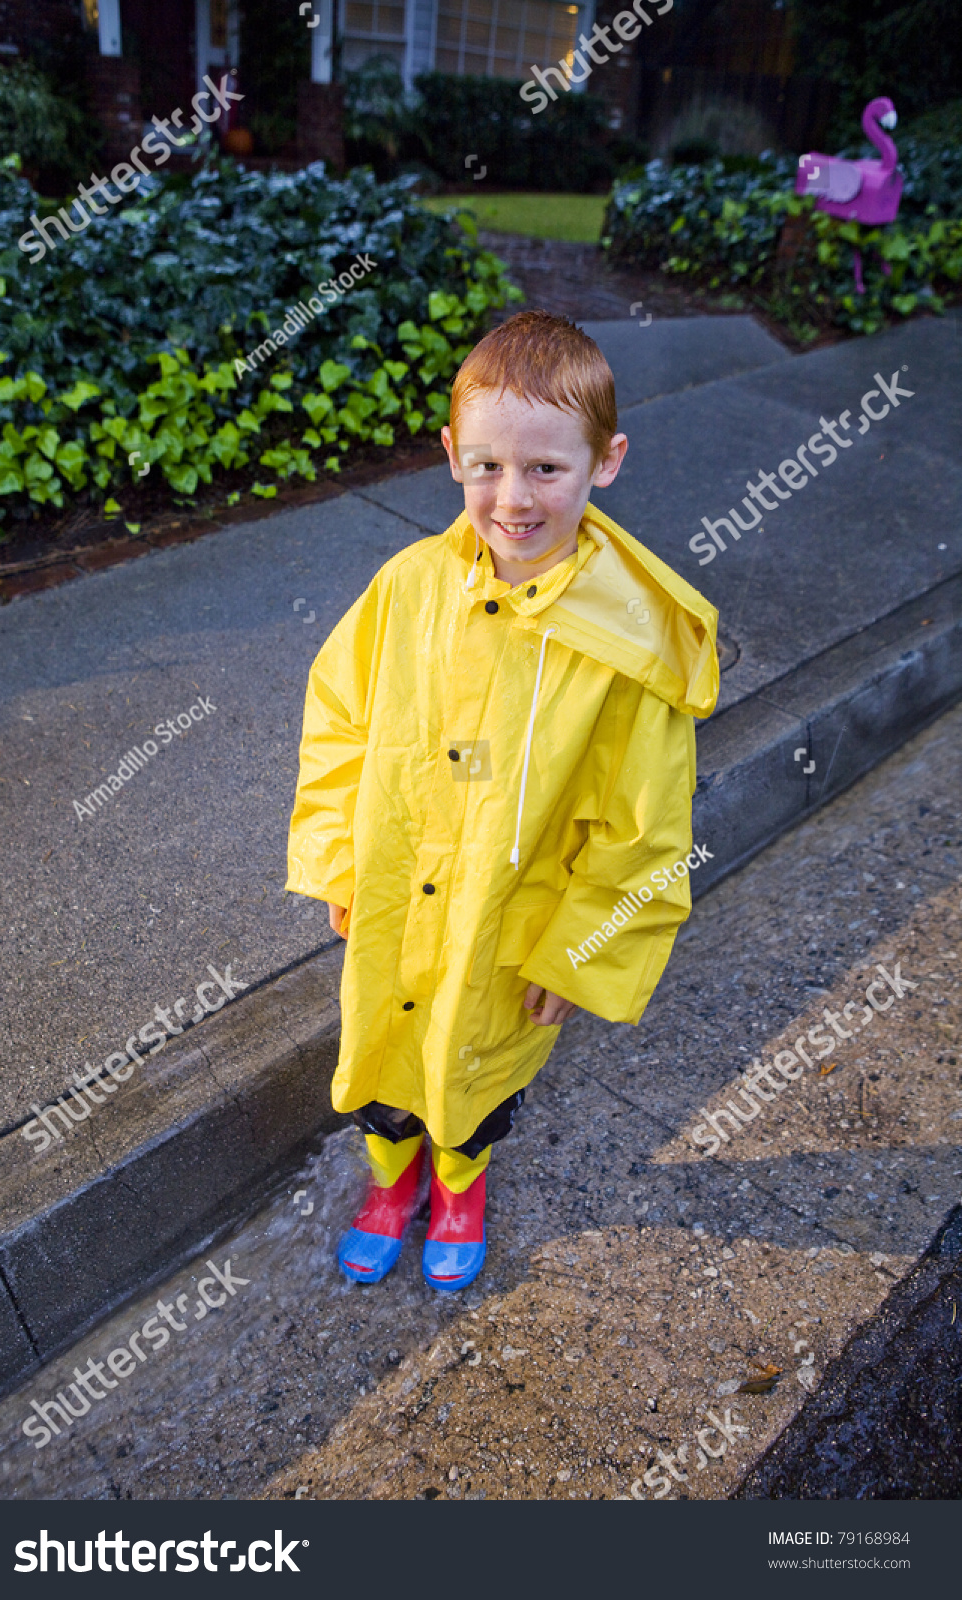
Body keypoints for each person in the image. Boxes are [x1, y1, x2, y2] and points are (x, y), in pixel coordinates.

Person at [286, 309, 719, 1292]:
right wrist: (341, 860)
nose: (511, 498)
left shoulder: (619, 653)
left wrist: (582, 947)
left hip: (506, 923)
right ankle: (391, 1181)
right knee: (385, 1063)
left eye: (544, 469)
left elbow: (642, 823)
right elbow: (339, 723)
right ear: (449, 455)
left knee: (472, 1072)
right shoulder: (406, 587)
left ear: (604, 462)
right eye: (484, 465)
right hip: (398, 895)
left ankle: (459, 1181)